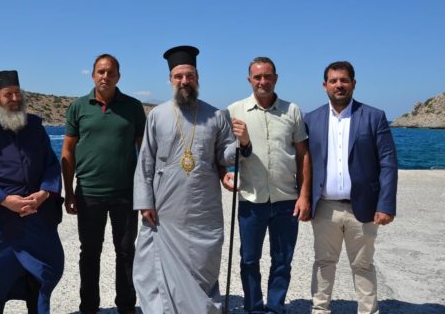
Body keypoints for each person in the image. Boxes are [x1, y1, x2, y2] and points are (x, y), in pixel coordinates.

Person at [133, 45, 247, 314]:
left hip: (202, 208)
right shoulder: (157, 115)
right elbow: (146, 160)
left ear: (198, 78)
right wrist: (145, 202)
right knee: (152, 268)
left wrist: (242, 142)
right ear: (170, 80)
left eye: (190, 75)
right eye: (178, 76)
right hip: (165, 207)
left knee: (202, 262)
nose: (184, 81)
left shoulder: (216, 115)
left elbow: (225, 156)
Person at [0, 70, 64, 314]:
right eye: (8, 94)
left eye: (18, 93)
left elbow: (51, 164)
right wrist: (4, 200)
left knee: (39, 278)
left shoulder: (35, 125)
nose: (15, 99)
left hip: (35, 217)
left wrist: (44, 193)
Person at [304, 61, 398, 314]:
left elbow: (388, 163)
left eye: (344, 80)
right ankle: (320, 309)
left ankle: (368, 311)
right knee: (323, 262)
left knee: (363, 265)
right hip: (325, 208)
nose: (339, 85)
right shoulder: (311, 119)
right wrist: (303, 198)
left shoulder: (374, 116)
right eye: (333, 81)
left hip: (363, 207)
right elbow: (304, 162)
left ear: (353, 84)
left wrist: (386, 205)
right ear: (324, 85)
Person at [223, 57, 311, 314]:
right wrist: (223, 174)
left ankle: (275, 308)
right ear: (249, 80)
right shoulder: (234, 110)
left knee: (282, 261)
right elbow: (221, 151)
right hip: (251, 199)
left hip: (286, 198)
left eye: (267, 76)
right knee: (249, 260)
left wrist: (304, 195)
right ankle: (253, 308)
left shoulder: (292, 110)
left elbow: (303, 154)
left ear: (276, 78)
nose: (263, 81)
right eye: (258, 77)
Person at [62, 54, 146, 314]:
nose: (105, 77)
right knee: (89, 253)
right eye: (100, 72)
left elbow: (144, 151)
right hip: (88, 193)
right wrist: (69, 193)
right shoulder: (78, 107)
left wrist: (146, 191)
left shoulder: (133, 107)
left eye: (110, 72)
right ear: (93, 75)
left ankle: (126, 307)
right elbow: (67, 152)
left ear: (118, 76)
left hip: (126, 194)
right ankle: (89, 307)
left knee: (126, 252)